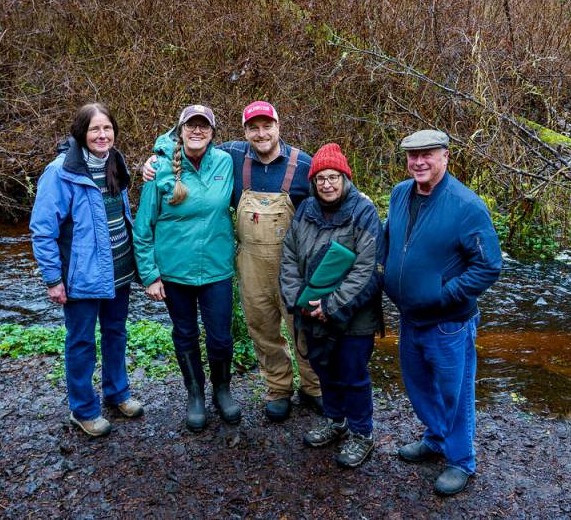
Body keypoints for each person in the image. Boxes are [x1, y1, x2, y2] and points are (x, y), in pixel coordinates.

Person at [144, 101, 322, 423]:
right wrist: (156, 157)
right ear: (244, 133)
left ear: (279, 126)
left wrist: (354, 198)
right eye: (254, 127)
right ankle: (277, 390)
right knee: (263, 330)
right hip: (247, 264)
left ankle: (313, 388)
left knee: (302, 329)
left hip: (291, 265)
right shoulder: (233, 159)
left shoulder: (301, 164)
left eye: (267, 125)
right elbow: (178, 149)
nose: (261, 133)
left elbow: (330, 194)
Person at [383, 129, 502, 496]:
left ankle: (460, 460)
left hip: (448, 322)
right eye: (412, 155)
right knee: (418, 385)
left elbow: (488, 266)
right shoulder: (400, 193)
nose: (418, 161)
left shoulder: (466, 205)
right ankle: (435, 439)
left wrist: (443, 295)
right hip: (409, 316)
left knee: (456, 392)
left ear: (446, 156)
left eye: (427, 154)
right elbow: (390, 240)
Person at [29, 103, 144, 437]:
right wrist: (53, 279)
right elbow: (43, 229)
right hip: (82, 276)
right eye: (95, 129)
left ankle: (117, 393)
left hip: (119, 269)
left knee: (116, 333)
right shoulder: (60, 172)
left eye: (107, 128)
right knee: (80, 342)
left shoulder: (115, 161)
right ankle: (83, 409)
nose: (102, 135)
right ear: (81, 132)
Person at [132, 104, 241, 432]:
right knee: (185, 334)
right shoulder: (160, 168)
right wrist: (150, 275)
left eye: (203, 126)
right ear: (179, 130)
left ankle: (222, 391)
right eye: (191, 126)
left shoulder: (225, 162)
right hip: (175, 273)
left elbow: (265, 158)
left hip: (217, 270)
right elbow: (143, 227)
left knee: (221, 339)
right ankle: (195, 394)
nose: (197, 131)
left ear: (212, 133)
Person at [280, 143, 383, 469]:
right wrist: (301, 301)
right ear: (313, 182)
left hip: (354, 316)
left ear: (345, 178)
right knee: (324, 368)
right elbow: (289, 259)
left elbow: (368, 269)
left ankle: (361, 433)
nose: (327, 184)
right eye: (321, 178)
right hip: (311, 310)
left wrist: (331, 305)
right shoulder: (305, 210)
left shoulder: (363, 211)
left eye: (334, 177)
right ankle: (335, 421)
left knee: (352, 373)